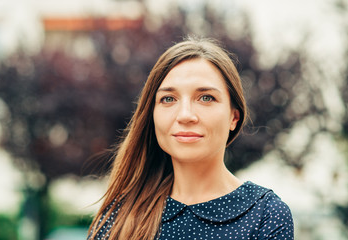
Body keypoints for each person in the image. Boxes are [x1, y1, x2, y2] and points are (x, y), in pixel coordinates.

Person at [87, 37, 294, 240]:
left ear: (234, 117)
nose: (185, 115)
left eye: (206, 98)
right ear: (152, 114)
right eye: (168, 99)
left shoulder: (266, 216)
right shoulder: (119, 218)